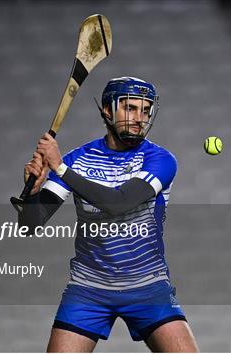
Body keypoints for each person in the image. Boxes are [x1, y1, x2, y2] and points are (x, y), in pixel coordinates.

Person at [19, 77, 198, 352]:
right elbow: (31, 225)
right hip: (88, 288)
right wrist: (32, 191)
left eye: (146, 110)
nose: (139, 118)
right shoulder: (77, 159)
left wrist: (61, 170)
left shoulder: (160, 160)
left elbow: (118, 203)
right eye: (130, 108)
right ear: (106, 110)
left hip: (147, 286)